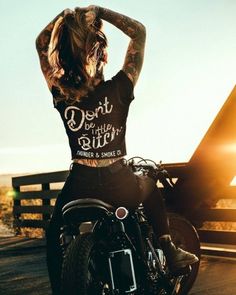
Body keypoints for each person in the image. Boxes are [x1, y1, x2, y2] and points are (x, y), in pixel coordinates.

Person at [36, 5, 198, 294]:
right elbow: (139, 32)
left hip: (79, 184)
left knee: (53, 237)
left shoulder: (61, 92)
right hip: (118, 182)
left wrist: (63, 18)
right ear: (102, 56)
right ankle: (168, 248)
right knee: (148, 186)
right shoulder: (120, 87)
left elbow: (40, 43)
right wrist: (99, 11)